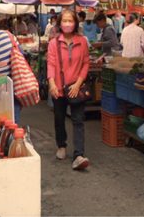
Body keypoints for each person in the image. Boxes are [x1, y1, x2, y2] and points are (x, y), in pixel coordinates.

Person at [46, 9, 91, 170]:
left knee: (78, 121)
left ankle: (78, 154)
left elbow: (86, 63)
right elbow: (50, 64)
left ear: (75, 23)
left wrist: (78, 84)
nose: (67, 24)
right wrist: (51, 83)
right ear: (59, 23)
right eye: (64, 21)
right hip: (58, 87)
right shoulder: (53, 43)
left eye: (70, 21)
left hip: (76, 87)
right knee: (59, 118)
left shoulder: (82, 41)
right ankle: (61, 145)